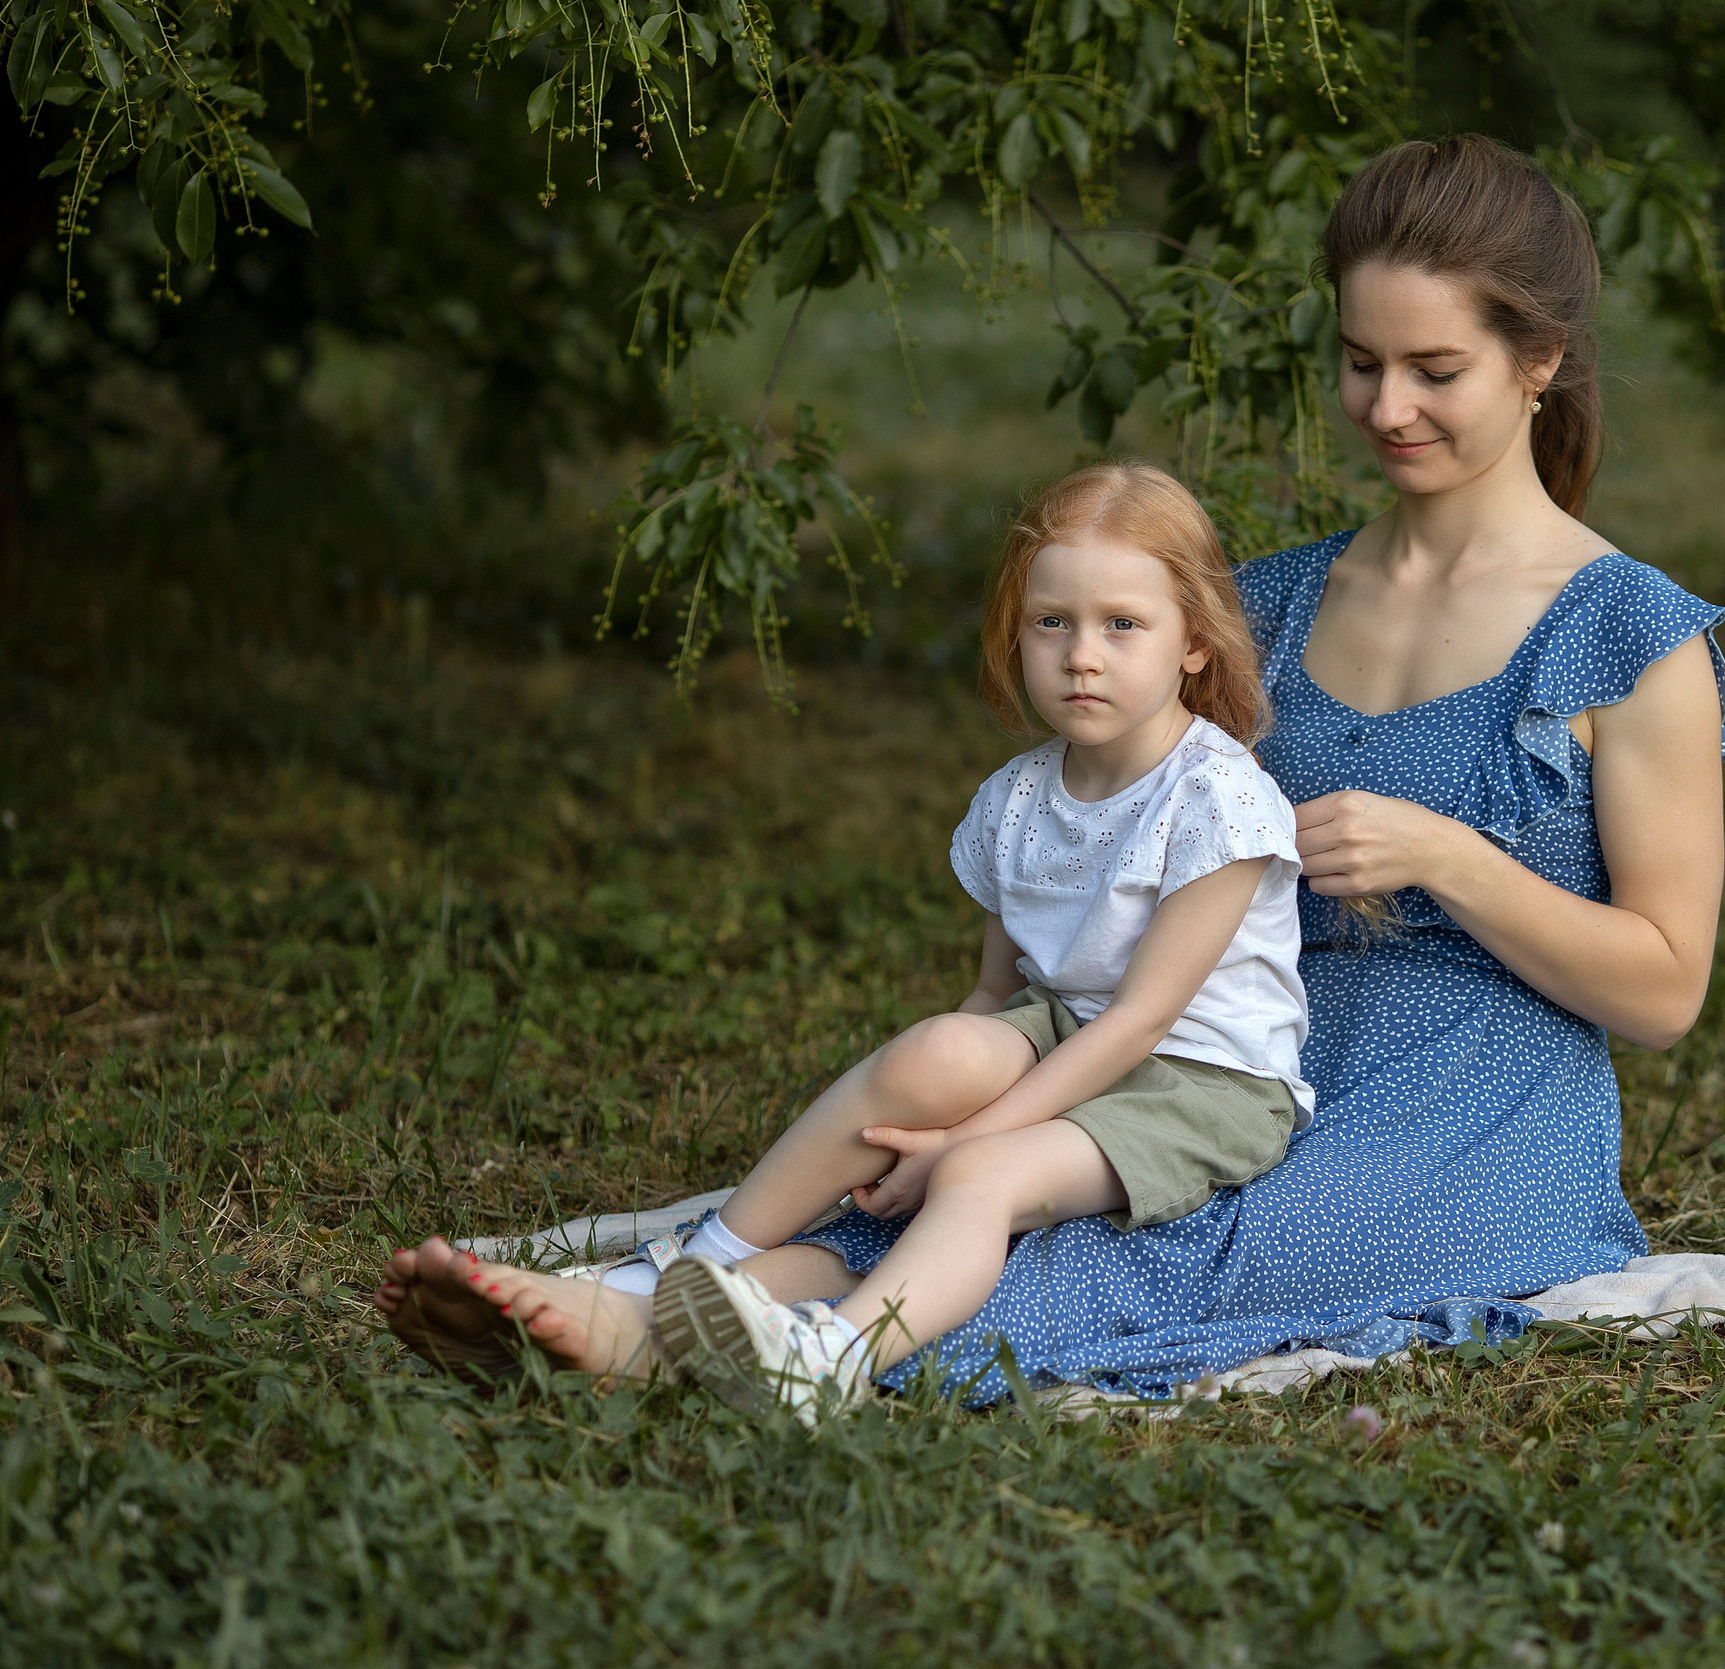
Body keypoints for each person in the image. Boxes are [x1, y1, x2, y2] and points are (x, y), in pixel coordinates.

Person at [376, 131, 1725, 1405]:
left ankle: (681, 1341)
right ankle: (641, 1317)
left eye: (1434, 369)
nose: (1385, 405)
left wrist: (1451, 858)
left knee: (1150, 1238)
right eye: (1361, 361)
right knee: (965, 1180)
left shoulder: (1625, 632)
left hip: (1477, 1114)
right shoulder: (1266, 605)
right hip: (1233, 1046)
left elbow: (1665, 988)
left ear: (1539, 359)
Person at [374, 464, 1312, 1417]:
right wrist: (942, 1086)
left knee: (985, 1173)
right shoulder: (1020, 798)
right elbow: (997, 992)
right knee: (943, 1042)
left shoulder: (1217, 800)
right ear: (1014, 631)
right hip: (1070, 1025)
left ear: (1195, 641)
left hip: (1201, 1078)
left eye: (1123, 624)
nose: (1082, 656)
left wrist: (957, 1142)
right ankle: (699, 1264)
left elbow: (1142, 1021)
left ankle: (833, 1354)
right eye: (1052, 622)